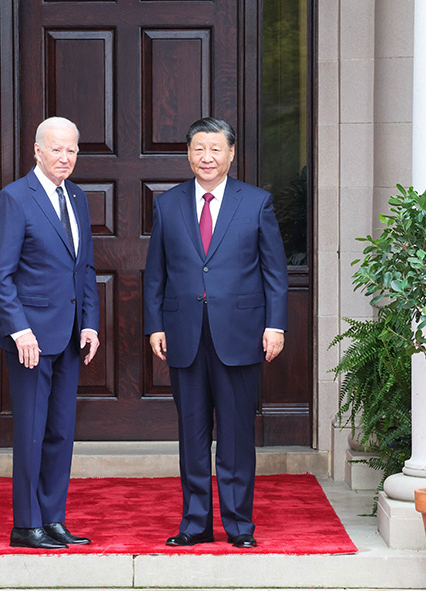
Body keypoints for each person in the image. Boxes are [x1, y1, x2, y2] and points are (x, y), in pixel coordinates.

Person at [144, 117, 289, 549]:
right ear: (188, 154)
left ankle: (240, 525)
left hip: (241, 333)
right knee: (192, 435)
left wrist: (275, 324)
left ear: (230, 154)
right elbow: (157, 272)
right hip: (184, 334)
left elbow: (274, 272)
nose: (206, 157)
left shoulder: (256, 202)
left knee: (236, 434)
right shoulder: (168, 204)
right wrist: (155, 323)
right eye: (198, 149)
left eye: (215, 149)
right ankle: (195, 522)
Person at [0, 116, 100, 550]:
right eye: (57, 149)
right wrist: (19, 331)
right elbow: (0, 275)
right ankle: (26, 524)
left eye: (72, 150)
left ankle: (53, 519)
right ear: (36, 150)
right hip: (30, 341)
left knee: (60, 433)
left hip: (70, 337)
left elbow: (84, 268)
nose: (65, 158)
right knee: (32, 433)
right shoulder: (14, 199)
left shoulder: (77, 197)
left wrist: (89, 323)